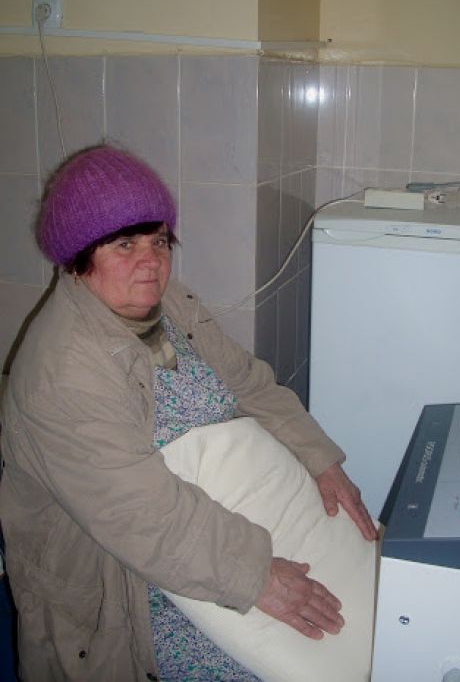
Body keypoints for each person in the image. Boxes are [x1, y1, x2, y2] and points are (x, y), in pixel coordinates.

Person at [0, 144, 377, 682]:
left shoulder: (168, 304)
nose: (151, 261)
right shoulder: (62, 374)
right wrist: (261, 578)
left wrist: (322, 459)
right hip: (134, 589)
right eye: (125, 243)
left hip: (228, 531)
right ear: (78, 258)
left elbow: (248, 381)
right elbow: (141, 517)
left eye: (158, 240)